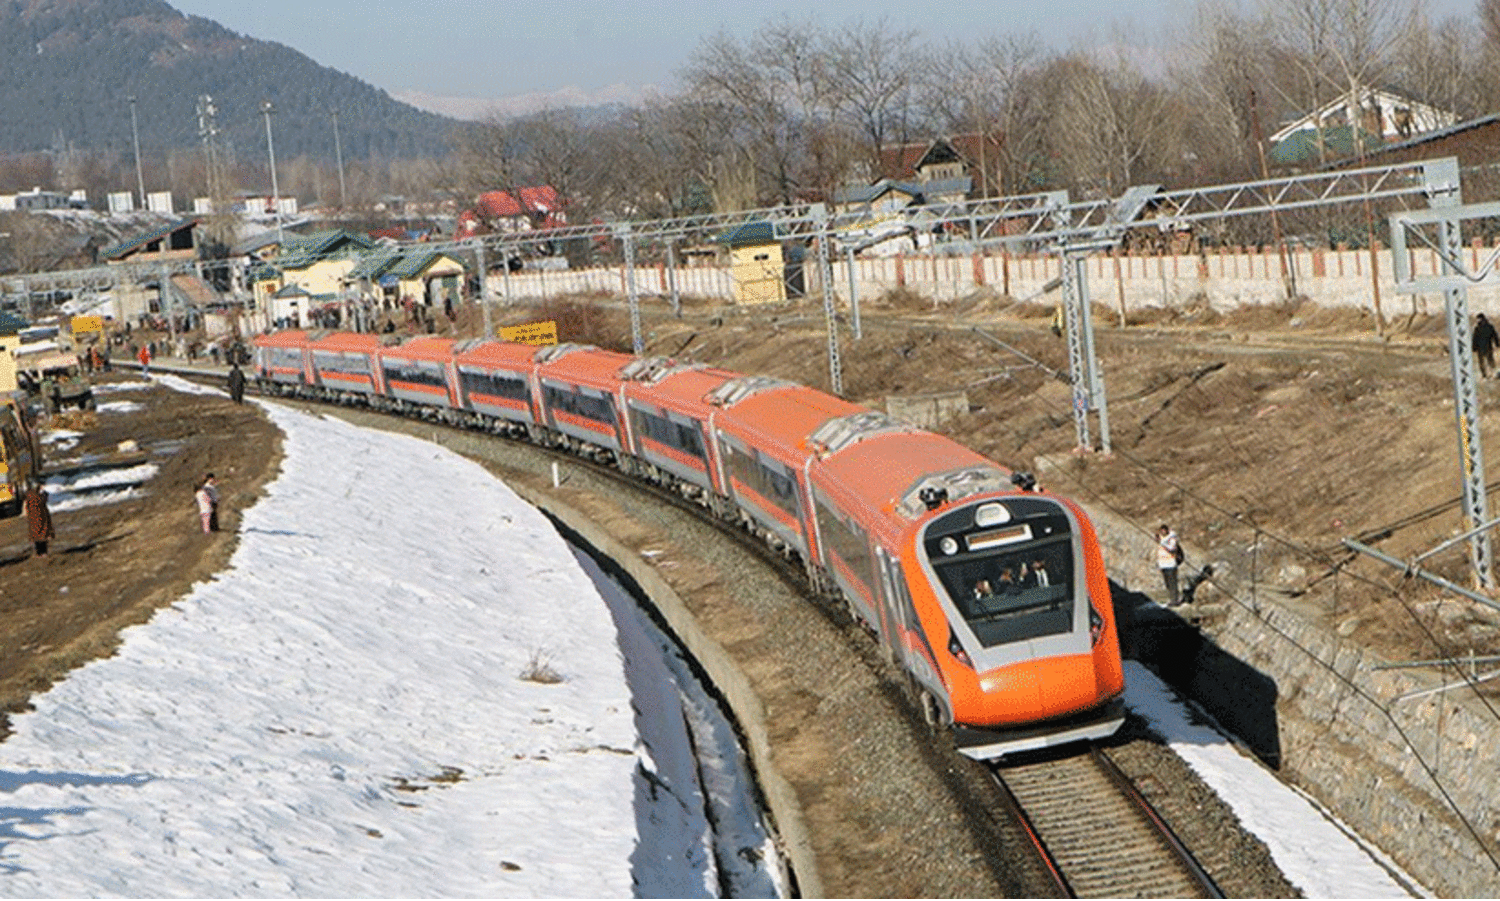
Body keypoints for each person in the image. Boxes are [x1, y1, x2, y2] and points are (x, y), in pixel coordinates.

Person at [24, 481, 54, 558]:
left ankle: (39, 552)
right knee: (42, 535)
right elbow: (41, 501)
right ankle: (43, 552)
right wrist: (45, 495)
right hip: (40, 518)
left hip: (33, 519)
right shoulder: (36, 496)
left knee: (37, 536)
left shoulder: (29, 495)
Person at [1157, 524, 1182, 606]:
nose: (1162, 532)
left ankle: (1175, 600)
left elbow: (1171, 549)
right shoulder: (1162, 539)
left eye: (1164, 531)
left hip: (1171, 564)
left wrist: (1163, 543)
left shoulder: (1172, 538)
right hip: (1163, 565)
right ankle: (1172, 599)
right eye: (1161, 531)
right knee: (1167, 583)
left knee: (1172, 583)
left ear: (1167, 531)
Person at [1474, 313, 1498, 379]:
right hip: (1488, 347)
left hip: (1480, 348)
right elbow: (1495, 336)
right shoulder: (1490, 326)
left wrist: (1474, 348)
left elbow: (1474, 339)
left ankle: (1485, 375)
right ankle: (1493, 373)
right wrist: (1497, 343)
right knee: (1490, 360)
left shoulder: (1477, 328)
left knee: (1482, 362)